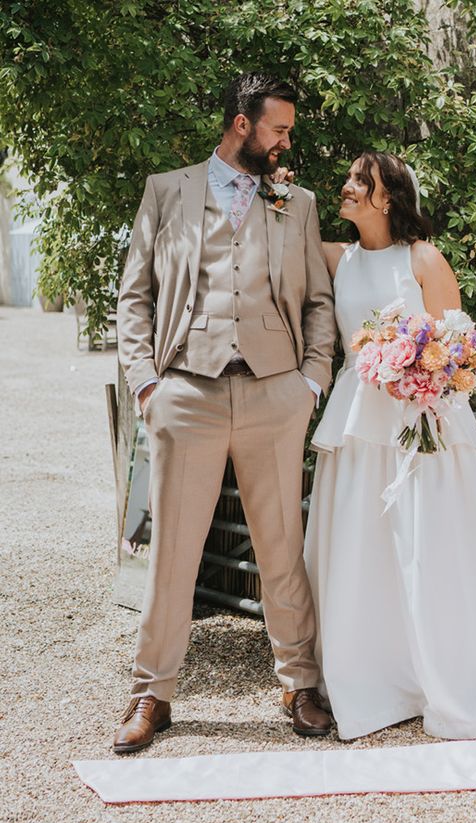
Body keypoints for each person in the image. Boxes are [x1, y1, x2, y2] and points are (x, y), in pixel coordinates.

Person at [113, 72, 336, 753]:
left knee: (281, 549)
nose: (285, 140)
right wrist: (147, 384)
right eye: (277, 128)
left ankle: (299, 683)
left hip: (275, 394)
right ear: (242, 125)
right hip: (187, 391)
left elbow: (318, 304)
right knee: (173, 552)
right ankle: (154, 691)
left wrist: (312, 383)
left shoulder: (295, 203)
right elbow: (135, 297)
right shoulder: (166, 190)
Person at [304, 151, 476, 740]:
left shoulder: (424, 259)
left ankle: (442, 666)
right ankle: (368, 671)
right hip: (359, 422)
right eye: (351, 179)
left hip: (419, 422)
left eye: (362, 181)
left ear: (388, 197)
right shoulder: (338, 258)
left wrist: (420, 375)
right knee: (359, 542)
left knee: (425, 541)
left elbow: (457, 345)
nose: (348, 187)